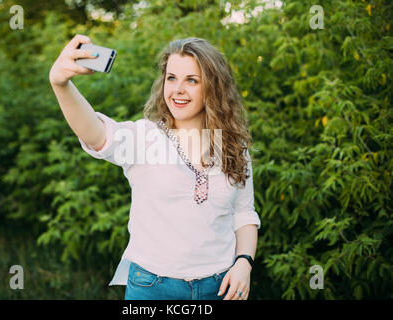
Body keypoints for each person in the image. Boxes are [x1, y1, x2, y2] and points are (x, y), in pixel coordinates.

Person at [49, 35, 261, 300]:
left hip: (220, 287)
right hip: (153, 287)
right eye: (171, 78)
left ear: (213, 87)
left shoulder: (233, 146)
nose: (178, 89)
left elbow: (244, 214)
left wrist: (244, 262)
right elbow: (95, 134)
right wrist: (61, 84)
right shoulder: (145, 138)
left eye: (191, 80)